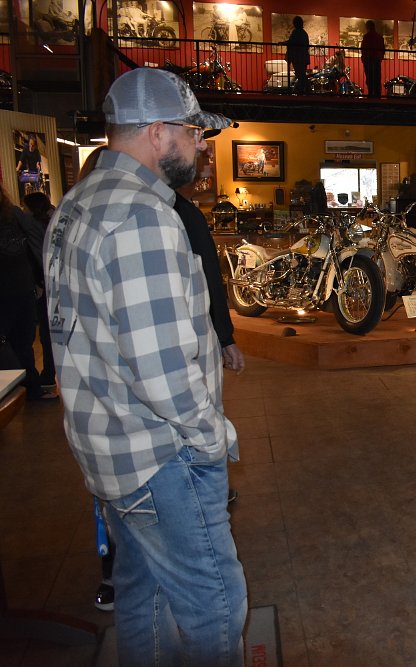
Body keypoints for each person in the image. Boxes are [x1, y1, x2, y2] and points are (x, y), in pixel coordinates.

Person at [43, 67, 246, 664]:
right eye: (193, 132)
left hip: (111, 449)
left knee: (142, 593)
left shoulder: (79, 202)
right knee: (215, 604)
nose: (202, 145)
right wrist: (213, 440)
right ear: (157, 133)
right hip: (162, 456)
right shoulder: (142, 216)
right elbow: (165, 376)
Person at [0, 185, 57, 400]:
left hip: (21, 289)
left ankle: (26, 389)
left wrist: (40, 279)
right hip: (18, 289)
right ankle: (25, 388)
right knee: (19, 342)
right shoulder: (17, 215)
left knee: (22, 342)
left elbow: (36, 244)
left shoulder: (15, 215)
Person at [21, 191, 57, 391]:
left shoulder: (31, 229)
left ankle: (48, 375)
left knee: (46, 333)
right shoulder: (54, 222)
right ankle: (50, 374)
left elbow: (37, 258)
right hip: (55, 285)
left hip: (43, 287)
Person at [285, 16, 311, 94]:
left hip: (298, 57)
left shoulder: (297, 32)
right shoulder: (303, 33)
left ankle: (305, 90)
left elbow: (291, 42)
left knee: (300, 74)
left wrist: (283, 43)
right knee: (301, 74)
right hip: (303, 57)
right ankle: (304, 90)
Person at [360, 19, 385, 99]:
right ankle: (377, 96)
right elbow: (382, 49)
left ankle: (370, 94)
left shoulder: (366, 36)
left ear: (368, 27)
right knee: (377, 78)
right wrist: (380, 57)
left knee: (369, 78)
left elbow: (363, 48)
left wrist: (363, 58)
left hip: (368, 59)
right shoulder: (379, 37)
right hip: (376, 59)